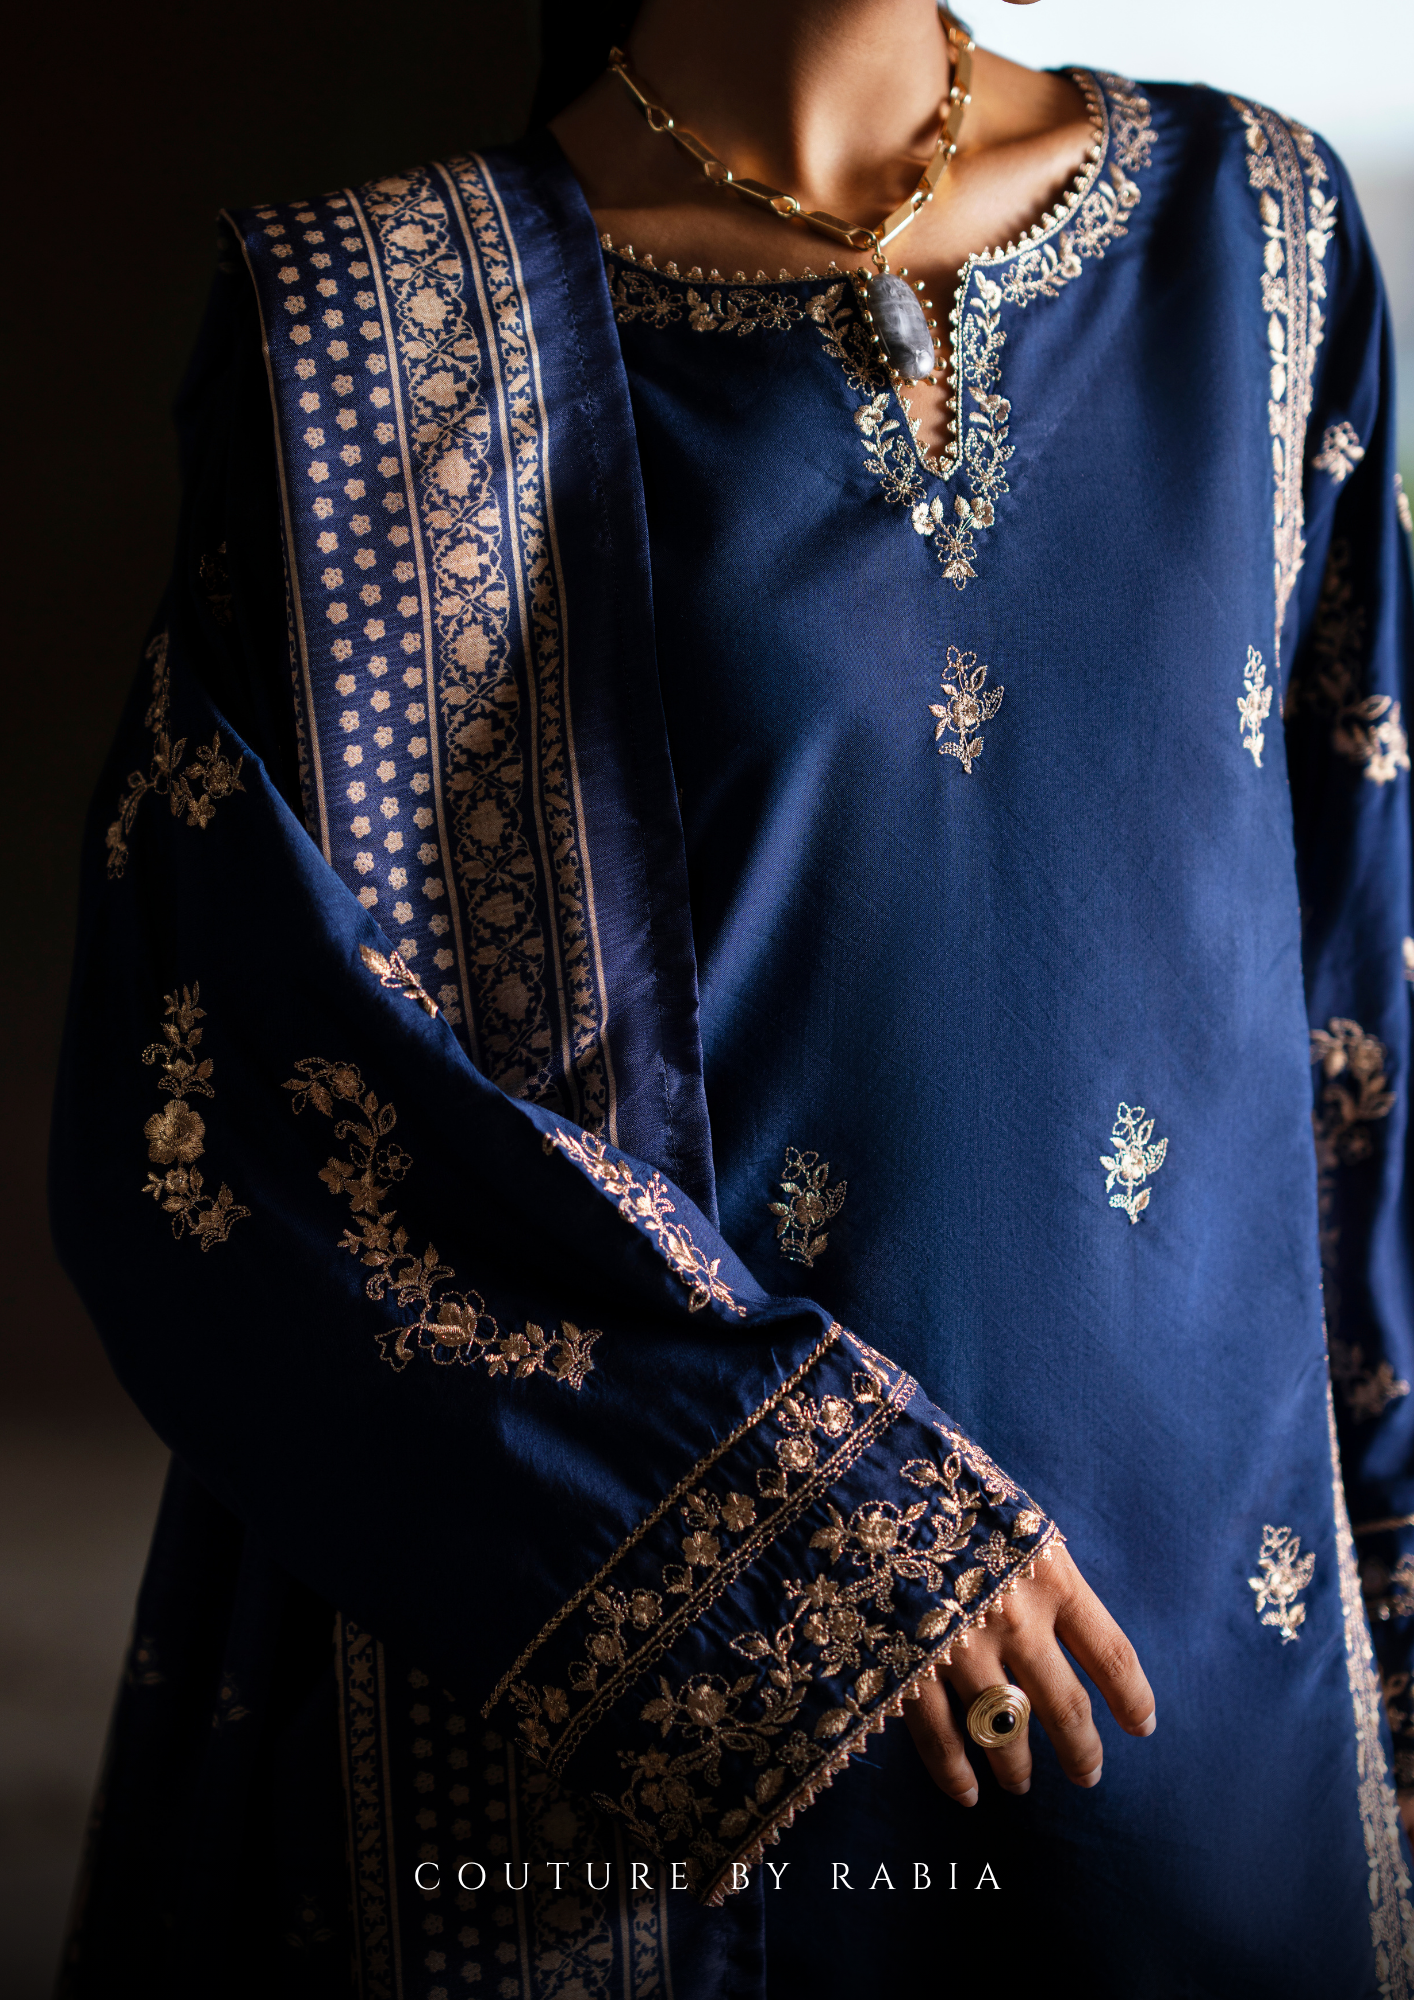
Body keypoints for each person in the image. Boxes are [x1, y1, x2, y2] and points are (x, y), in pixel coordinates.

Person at [50, 0, 1414, 1993]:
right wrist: (814, 1526)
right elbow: (210, 1098)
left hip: (1214, 1680)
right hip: (675, 1758)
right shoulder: (374, 338)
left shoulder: (1260, 230)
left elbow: (1354, 1004)